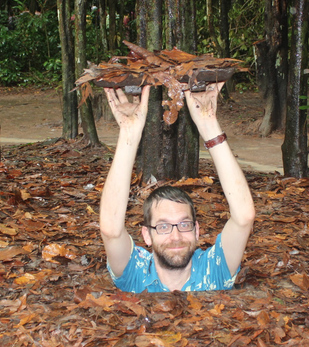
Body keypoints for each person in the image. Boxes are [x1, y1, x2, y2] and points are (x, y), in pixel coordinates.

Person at [99, 82, 255, 293]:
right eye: (163, 226)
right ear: (146, 235)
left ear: (197, 230)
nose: (176, 236)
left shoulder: (213, 269)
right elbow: (111, 230)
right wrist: (129, 133)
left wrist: (209, 125)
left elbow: (244, 216)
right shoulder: (135, 274)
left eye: (184, 225)